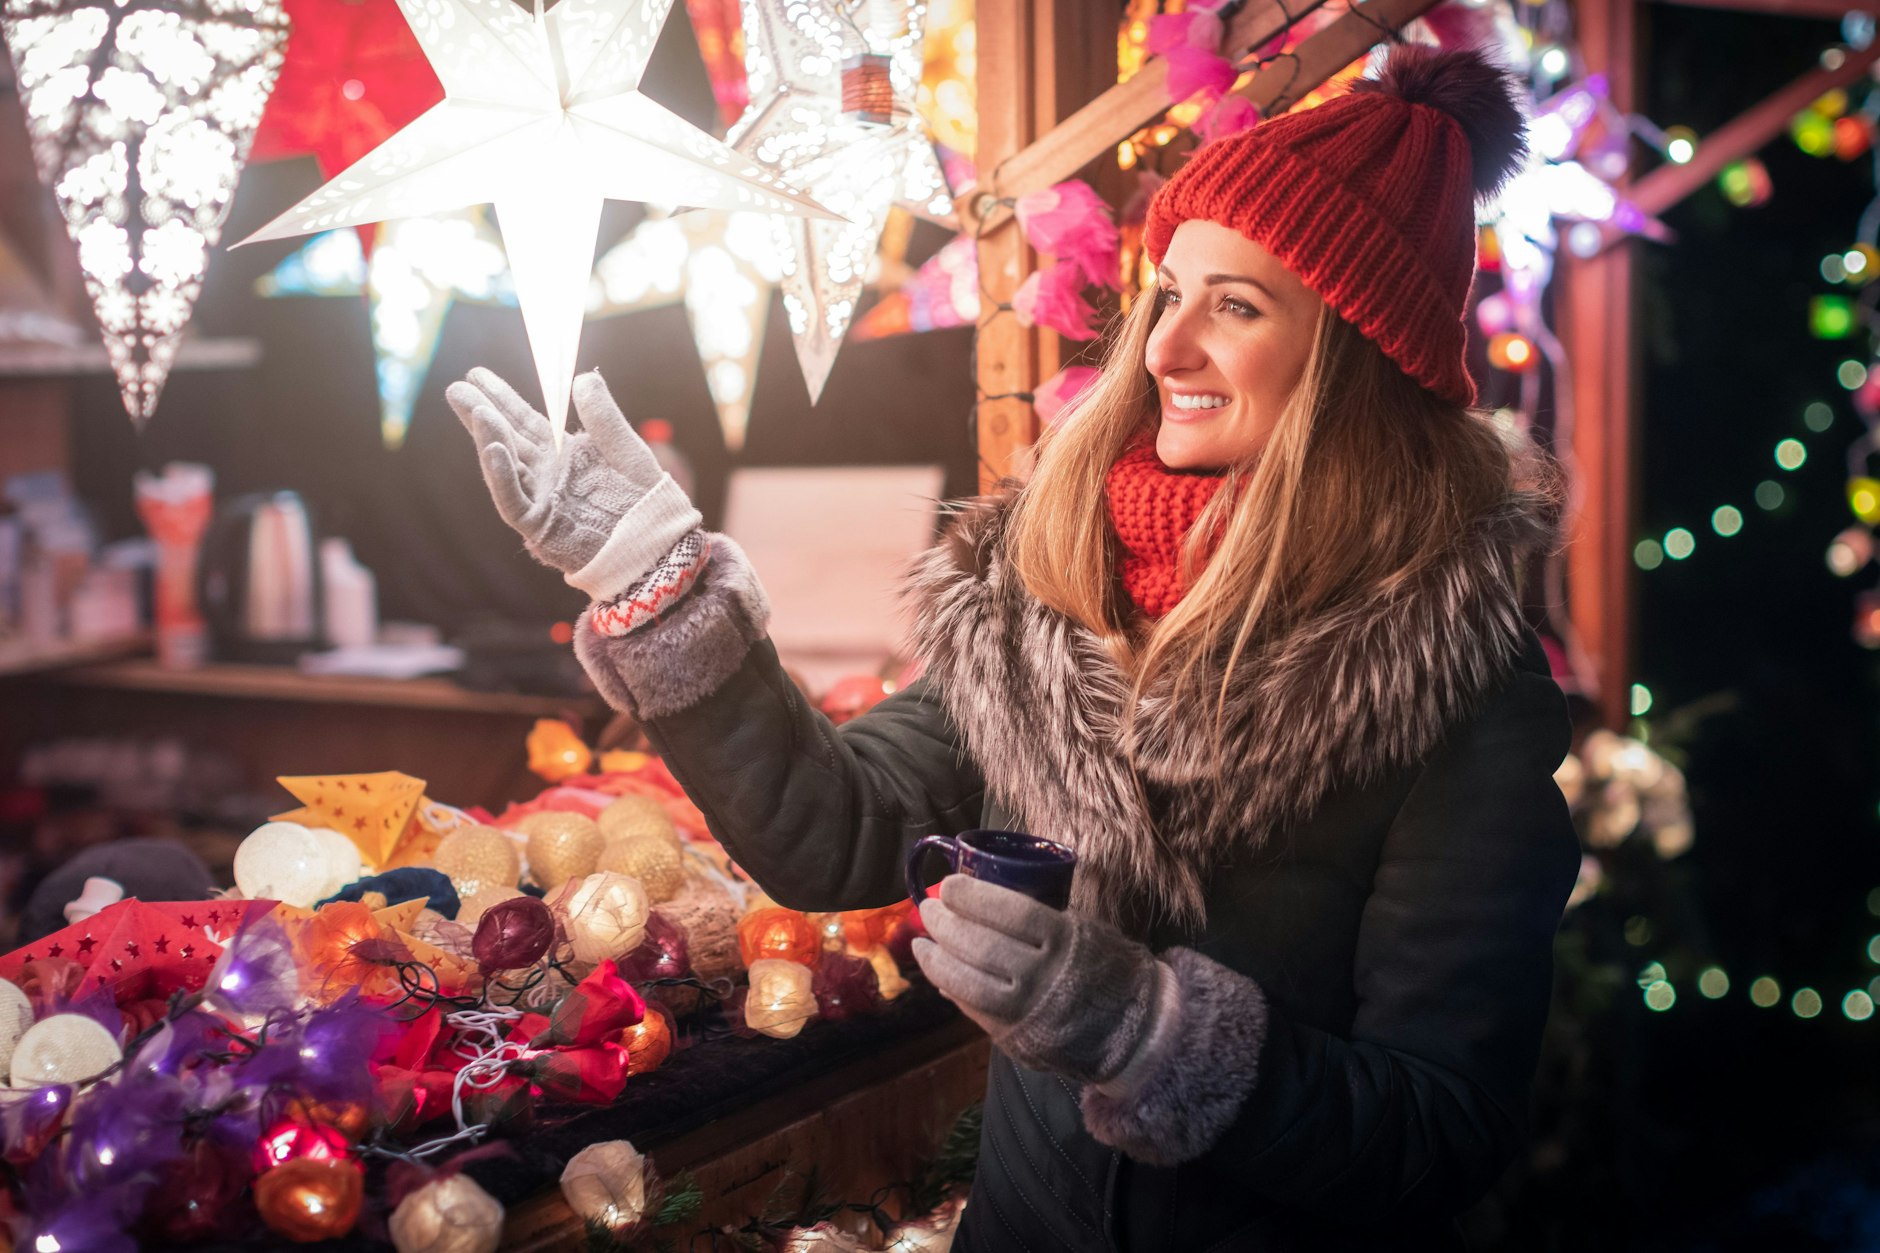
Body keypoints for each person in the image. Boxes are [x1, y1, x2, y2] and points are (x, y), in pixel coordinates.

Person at [449, 42, 1580, 1253]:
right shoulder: (1053, 583)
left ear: (1349, 358)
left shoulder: (1453, 685)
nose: (1164, 347)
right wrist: (651, 578)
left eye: (1235, 306)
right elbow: (836, 832)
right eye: (1170, 289)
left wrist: (1149, 1033)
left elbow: (1440, 1130)